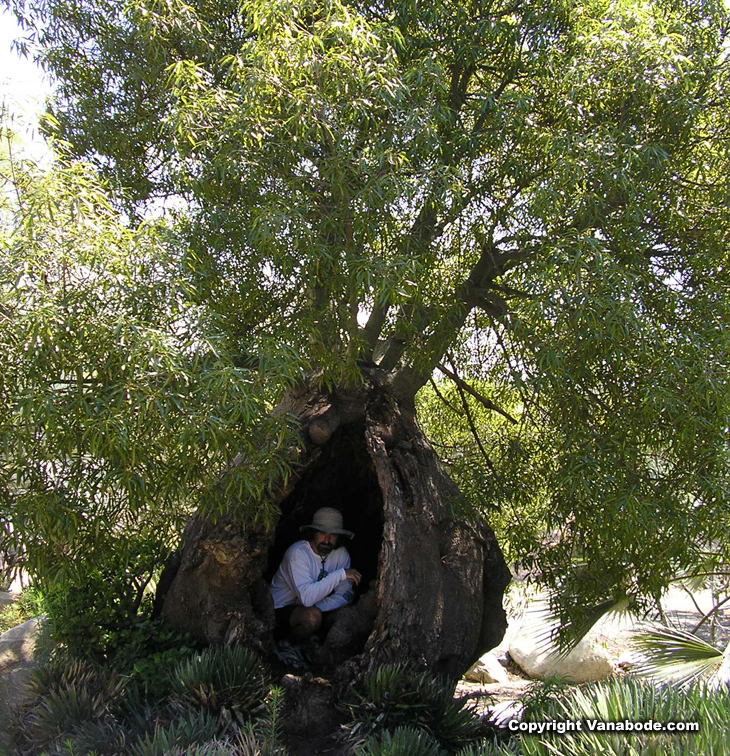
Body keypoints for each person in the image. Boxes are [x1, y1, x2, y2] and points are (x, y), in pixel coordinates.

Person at [270, 507, 361, 642]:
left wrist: (319, 605)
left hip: (309, 606)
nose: (327, 539)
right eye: (322, 533)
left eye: (333, 534)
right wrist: (340, 574)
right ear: (313, 533)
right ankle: (287, 646)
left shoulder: (341, 554)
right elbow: (307, 598)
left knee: (340, 615)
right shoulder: (298, 553)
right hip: (277, 609)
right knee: (312, 617)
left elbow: (345, 595)